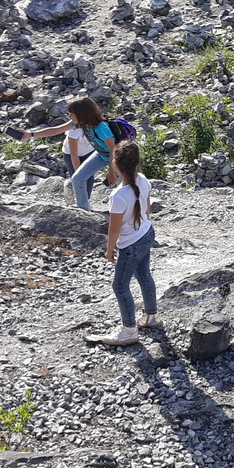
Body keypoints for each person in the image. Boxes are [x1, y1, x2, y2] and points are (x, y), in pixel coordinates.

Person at [86, 140, 157, 346]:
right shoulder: (143, 180)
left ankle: (128, 330)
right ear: (136, 164)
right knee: (144, 276)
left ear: (114, 165)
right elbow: (147, 208)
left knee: (120, 286)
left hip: (130, 244)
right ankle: (151, 317)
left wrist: (110, 249)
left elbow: (114, 228)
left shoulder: (118, 196)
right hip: (146, 234)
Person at [14, 98, 117, 212]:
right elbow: (54, 130)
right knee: (78, 179)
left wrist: (111, 172)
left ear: (81, 114)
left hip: (117, 157)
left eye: (71, 114)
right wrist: (30, 135)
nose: (69, 117)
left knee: (126, 185)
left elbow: (114, 150)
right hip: (101, 155)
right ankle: (83, 211)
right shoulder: (78, 124)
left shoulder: (100, 127)